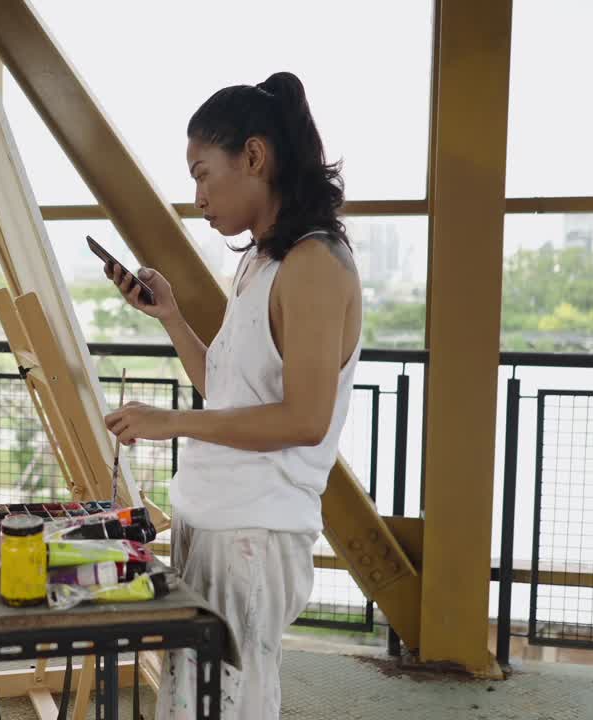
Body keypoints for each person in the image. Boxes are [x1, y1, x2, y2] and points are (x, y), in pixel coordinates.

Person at [102, 71, 363, 719]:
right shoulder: (260, 262)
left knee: (234, 703)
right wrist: (170, 317)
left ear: (254, 156)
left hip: (255, 529)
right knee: (193, 699)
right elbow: (227, 390)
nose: (197, 197)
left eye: (202, 173)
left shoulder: (314, 265)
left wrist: (172, 423)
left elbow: (304, 419)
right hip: (211, 517)